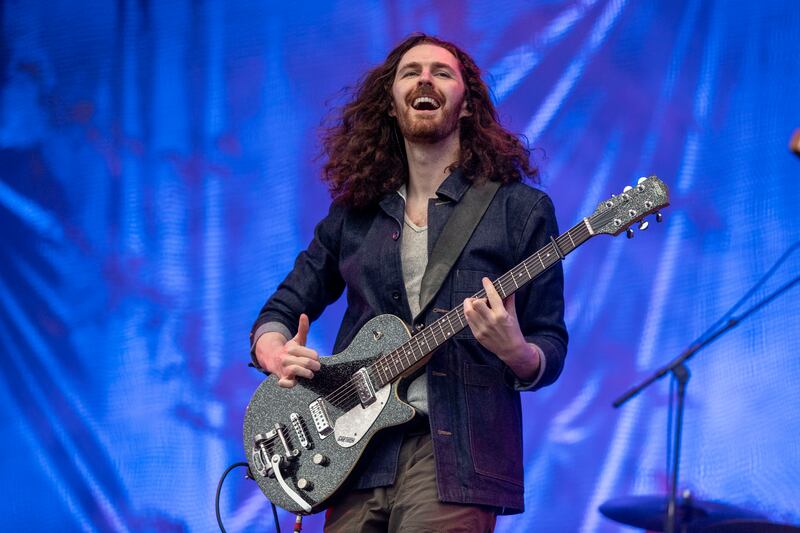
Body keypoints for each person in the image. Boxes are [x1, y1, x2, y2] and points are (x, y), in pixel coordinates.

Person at [250, 33, 568, 532]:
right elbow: (280, 311)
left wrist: (516, 352)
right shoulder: (354, 216)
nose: (425, 79)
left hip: (455, 460)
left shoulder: (518, 211)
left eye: (442, 72)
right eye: (410, 72)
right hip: (353, 461)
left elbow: (548, 340)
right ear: (393, 107)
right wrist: (275, 353)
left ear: (466, 106)